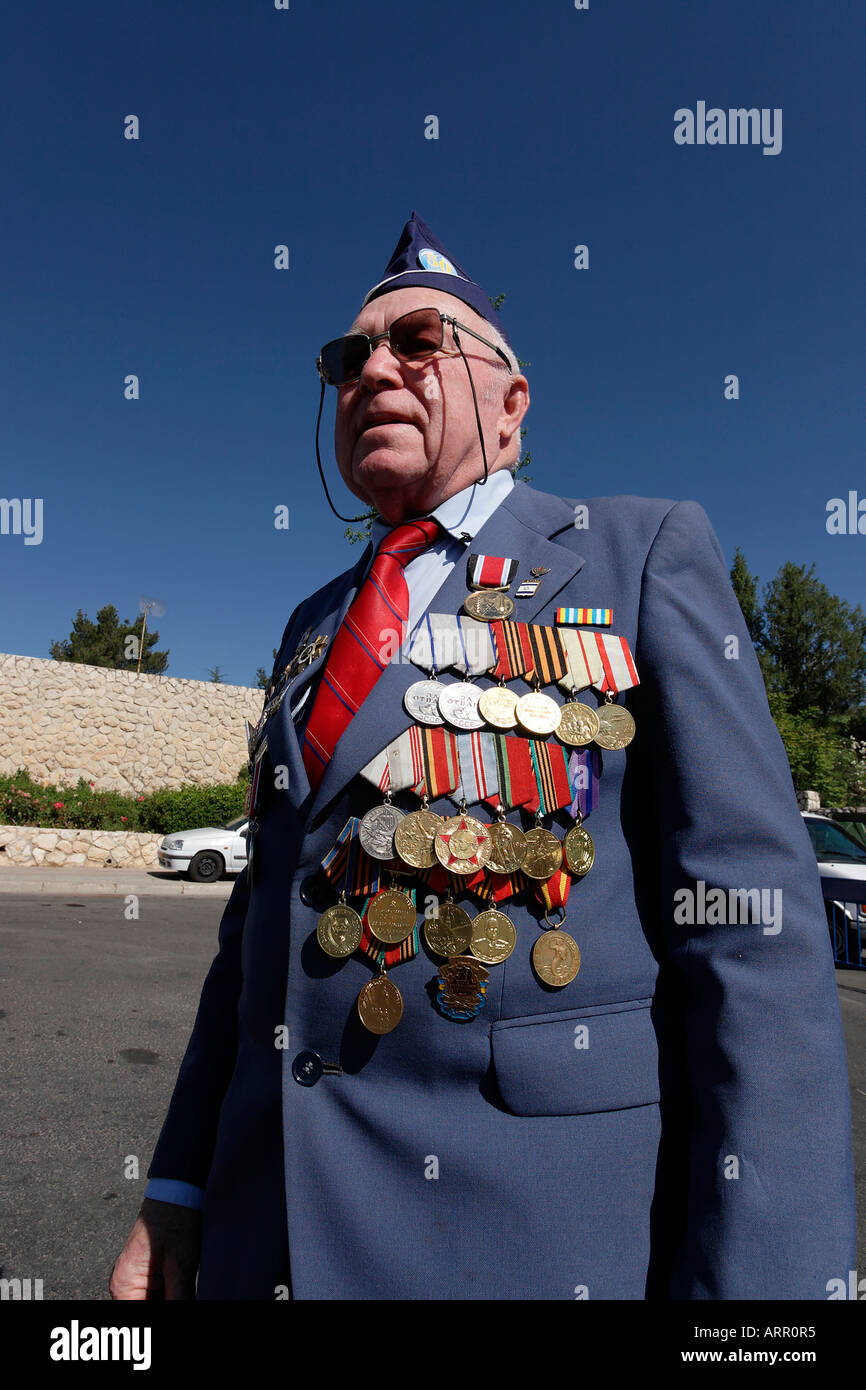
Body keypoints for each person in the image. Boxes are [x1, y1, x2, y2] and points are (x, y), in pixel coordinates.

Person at [111, 211, 856, 1300]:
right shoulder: (311, 628)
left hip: (522, 1251)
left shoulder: (635, 557)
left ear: (510, 409)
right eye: (347, 355)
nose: (372, 368)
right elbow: (252, 942)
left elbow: (751, 945)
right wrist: (176, 1188)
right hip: (256, 1244)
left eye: (416, 341)